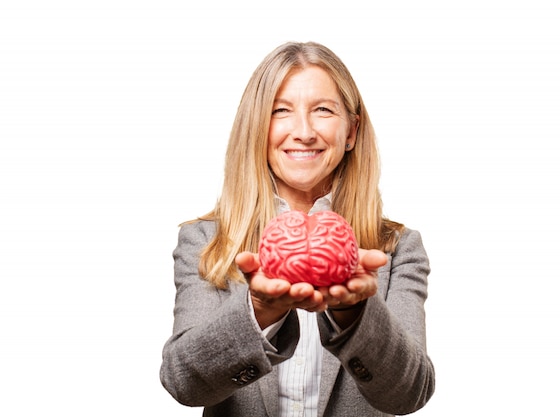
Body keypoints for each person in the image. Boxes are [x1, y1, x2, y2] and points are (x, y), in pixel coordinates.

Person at [160, 41, 435, 417]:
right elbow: (182, 383)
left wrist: (355, 315)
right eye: (281, 111)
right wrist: (258, 313)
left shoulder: (397, 249)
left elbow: (410, 394)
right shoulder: (207, 241)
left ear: (351, 131)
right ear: (257, 128)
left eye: (323, 110)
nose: (303, 132)